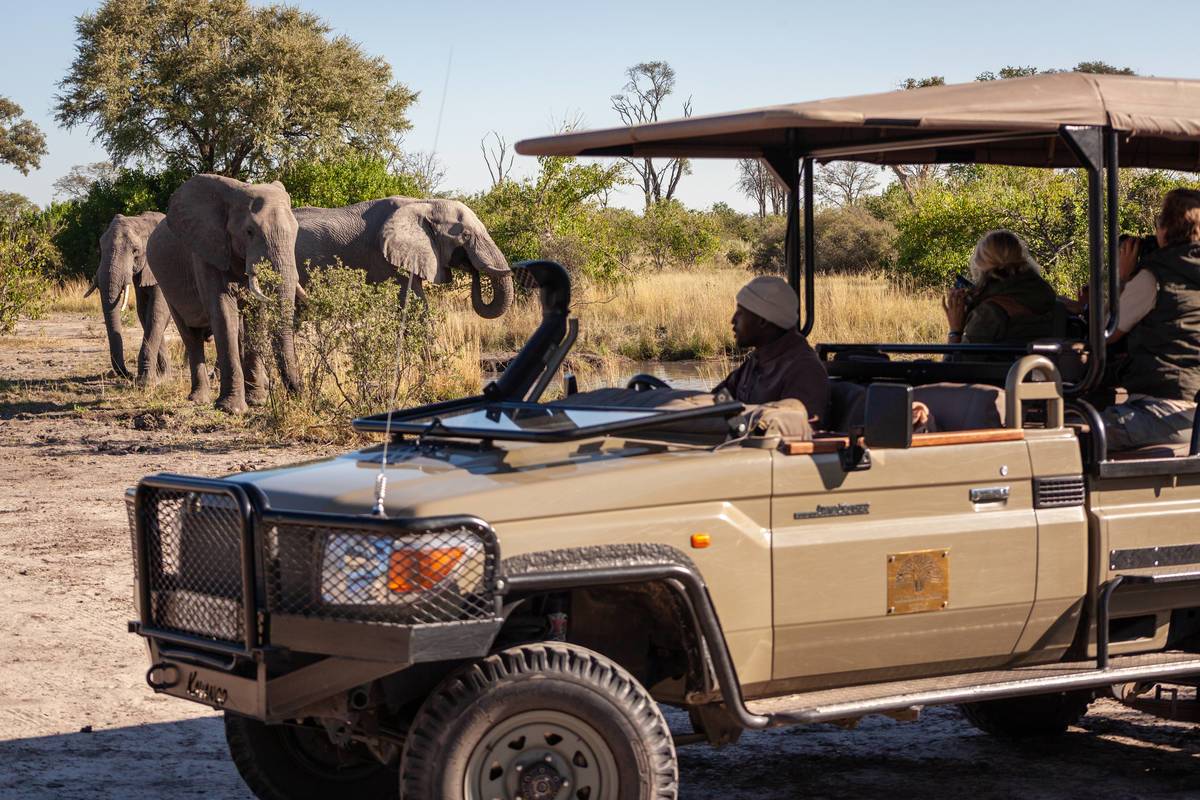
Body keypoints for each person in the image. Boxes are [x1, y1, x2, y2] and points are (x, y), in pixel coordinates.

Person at [1101, 188, 1200, 451]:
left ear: (1164, 229)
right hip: (1192, 412)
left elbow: (1105, 334)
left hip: (1163, 410)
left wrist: (1123, 278)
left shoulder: (1154, 277)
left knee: (1074, 435)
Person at [713, 275, 830, 425]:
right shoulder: (758, 360)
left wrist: (737, 426)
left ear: (763, 320)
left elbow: (796, 431)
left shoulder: (805, 370)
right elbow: (718, 398)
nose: (733, 320)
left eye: (740, 313)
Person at [943, 230, 1058, 352]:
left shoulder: (988, 313)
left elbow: (957, 362)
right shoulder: (1047, 298)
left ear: (980, 264)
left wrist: (955, 331)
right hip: (1045, 364)